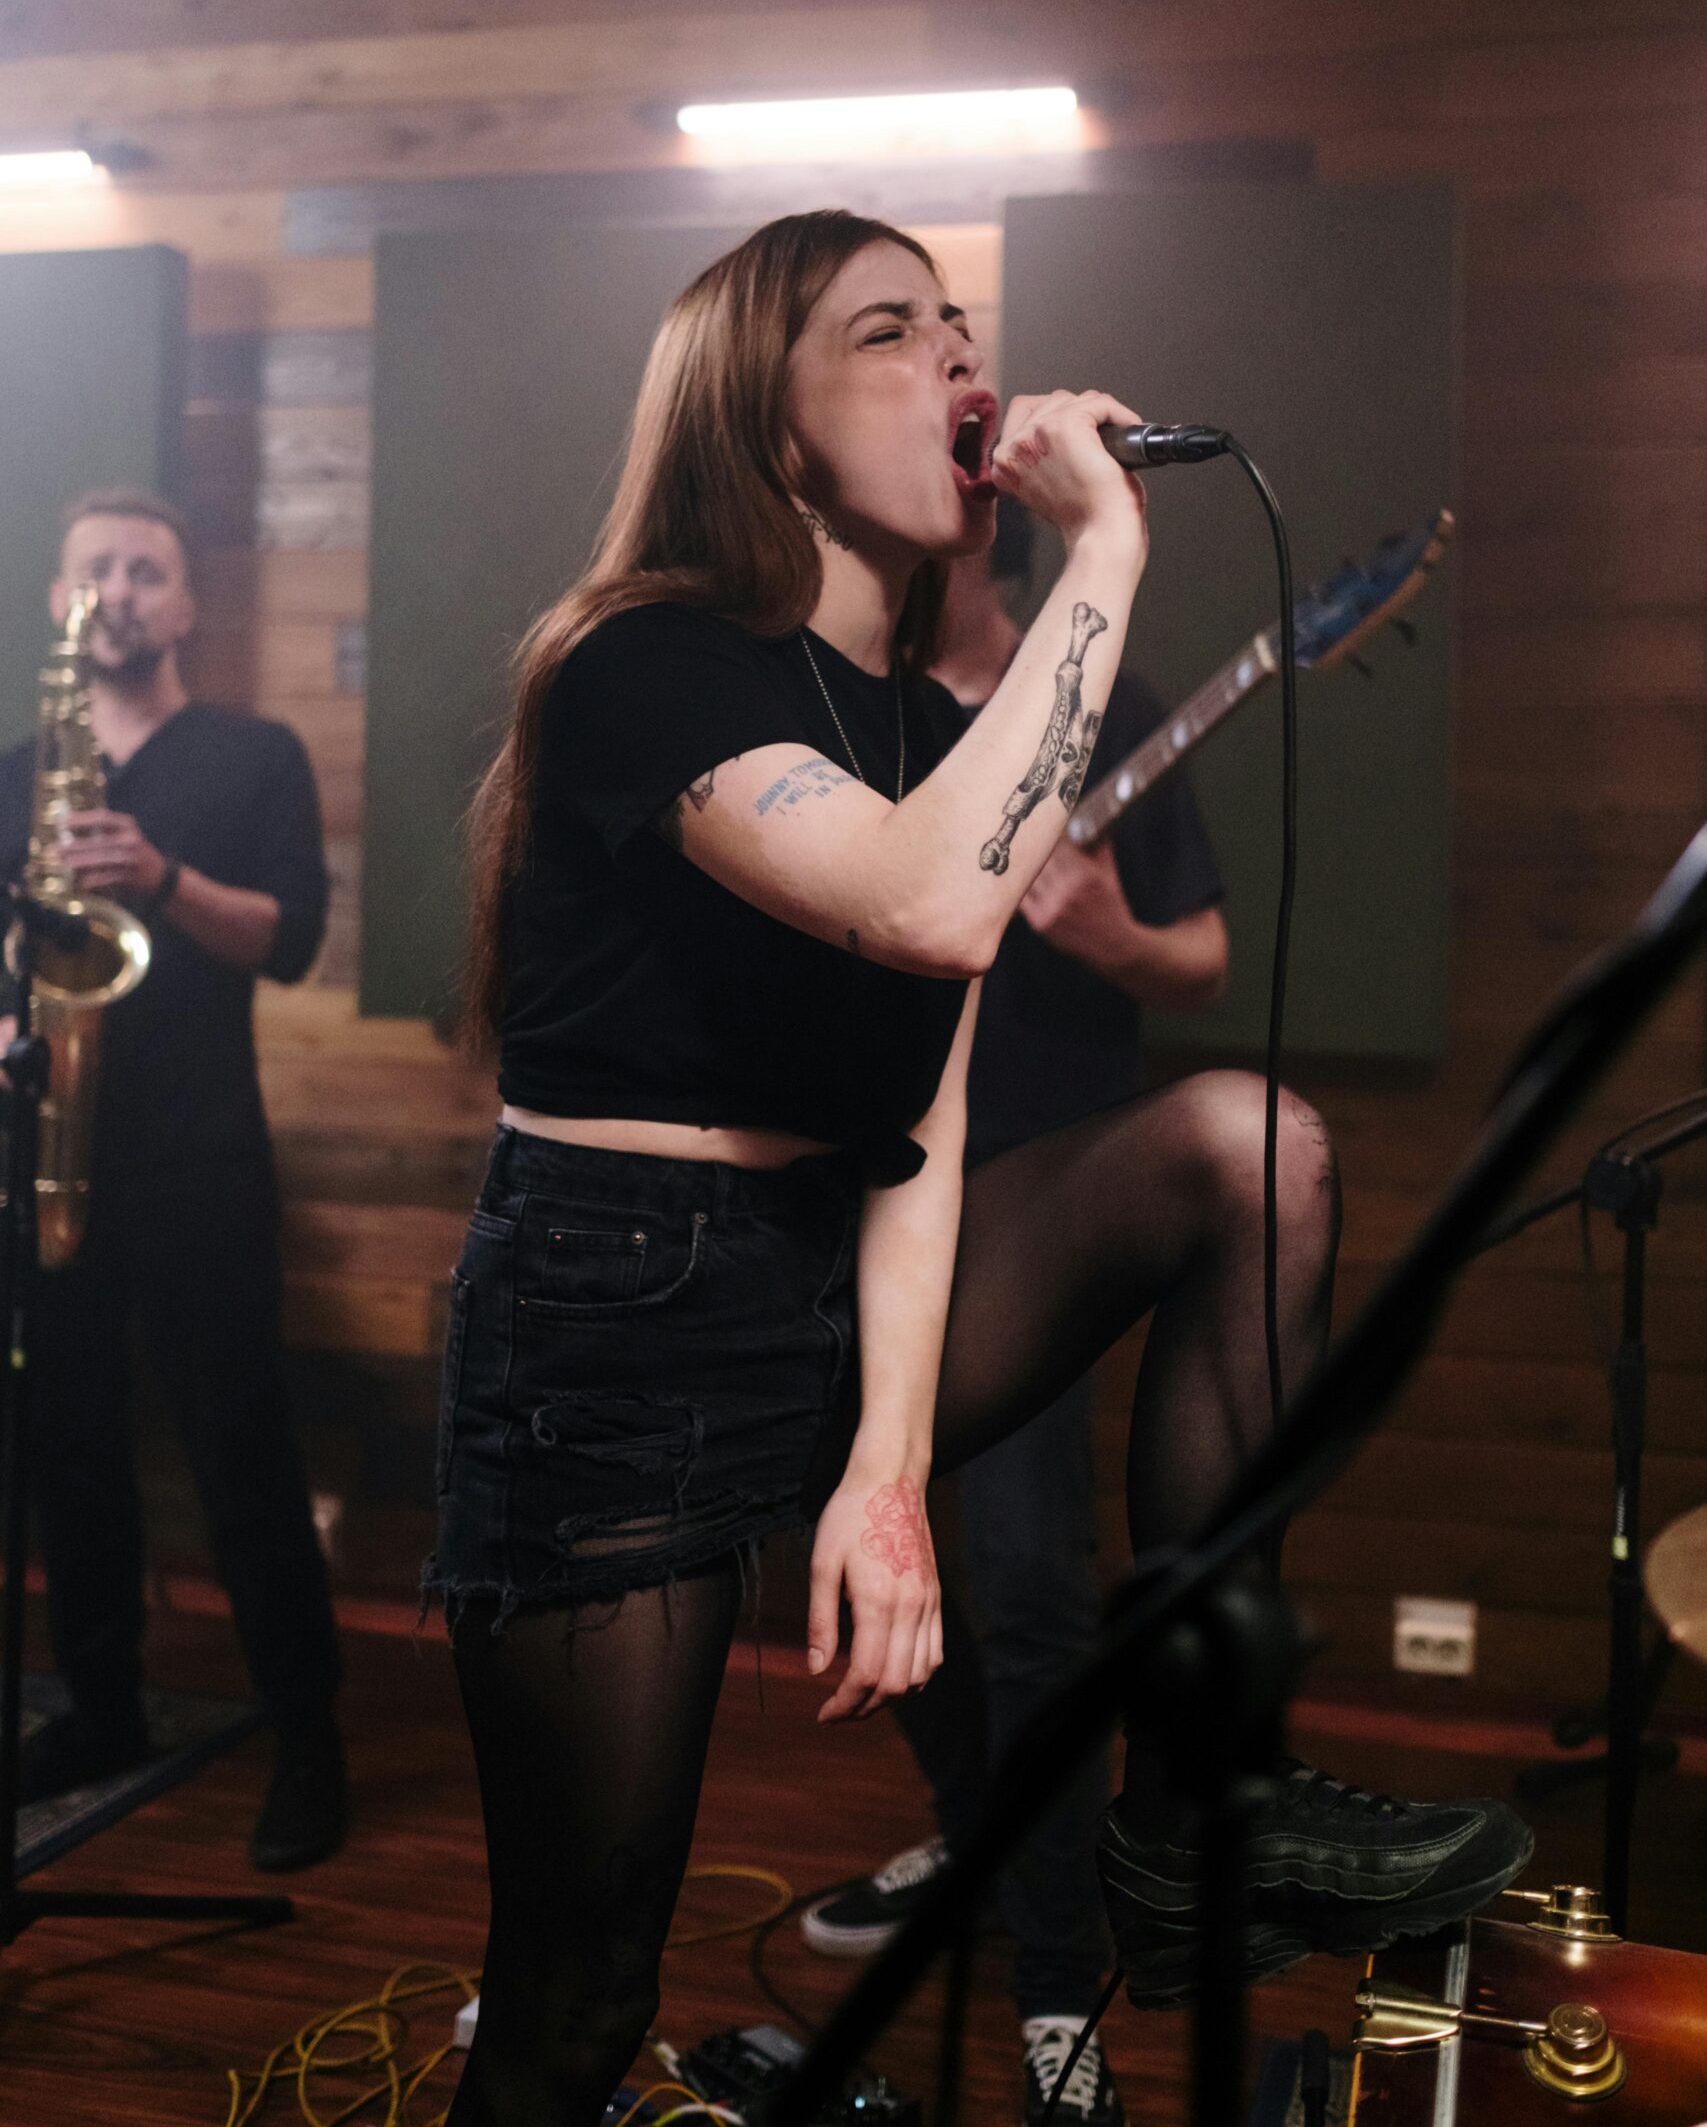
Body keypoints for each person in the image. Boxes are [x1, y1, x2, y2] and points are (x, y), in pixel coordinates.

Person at [431, 212, 1530, 2127]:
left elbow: (923, 1126)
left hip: (815, 1272)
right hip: (610, 1326)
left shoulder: (934, 728)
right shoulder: (645, 664)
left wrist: (887, 1473)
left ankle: (1197, 1805)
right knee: (581, 1987)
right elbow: (930, 908)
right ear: (763, 425)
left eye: (961, 322)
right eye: (890, 330)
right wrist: (1107, 547)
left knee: (1249, 1149)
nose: (962, 355)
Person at [801, 501, 1232, 2127]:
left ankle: (1059, 1978)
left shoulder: (1112, 706)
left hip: (1040, 1200)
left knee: (1038, 1581)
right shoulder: (840, 695)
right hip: (859, 1186)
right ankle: (983, 1824)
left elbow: (1204, 957)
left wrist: (1114, 934)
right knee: (855, 1545)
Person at [0, 488, 346, 1872]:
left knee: (240, 1453)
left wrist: (160, 876)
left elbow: (291, 941)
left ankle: (307, 1738)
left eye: (148, 571)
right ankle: (99, 1706)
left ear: (187, 605)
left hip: (202, 1155)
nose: (121, 591)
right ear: (59, 601)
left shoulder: (253, 755)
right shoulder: (22, 769)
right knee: (71, 1450)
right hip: (51, 1156)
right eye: (97, 569)